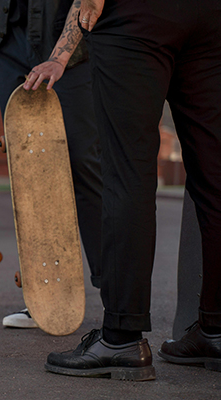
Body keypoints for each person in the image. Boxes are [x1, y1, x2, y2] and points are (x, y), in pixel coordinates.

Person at [45, 0, 221, 380]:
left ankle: (122, 336)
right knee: (216, 178)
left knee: (128, 172)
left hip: (138, 15)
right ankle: (217, 329)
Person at [0, 0, 103, 328]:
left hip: (70, 38)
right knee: (30, 173)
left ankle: (116, 297)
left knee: (84, 163)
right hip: (10, 40)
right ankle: (46, 296)